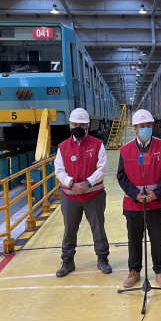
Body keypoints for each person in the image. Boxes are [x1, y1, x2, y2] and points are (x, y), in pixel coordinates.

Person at [117, 109, 161, 289]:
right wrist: (135, 194)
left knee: (157, 237)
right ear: (135, 128)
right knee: (134, 239)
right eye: (142, 126)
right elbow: (121, 176)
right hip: (134, 203)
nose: (146, 129)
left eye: (148, 126)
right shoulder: (125, 150)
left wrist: (156, 193)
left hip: (157, 201)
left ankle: (160, 271)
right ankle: (134, 271)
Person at [54, 108, 111, 277]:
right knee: (69, 230)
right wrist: (72, 184)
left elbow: (102, 169)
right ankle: (67, 261)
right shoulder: (63, 147)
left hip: (94, 195)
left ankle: (102, 259)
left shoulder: (97, 145)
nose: (78, 127)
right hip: (70, 197)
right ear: (70, 125)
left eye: (82, 124)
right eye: (75, 124)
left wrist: (86, 184)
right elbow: (59, 170)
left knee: (98, 228)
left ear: (88, 125)